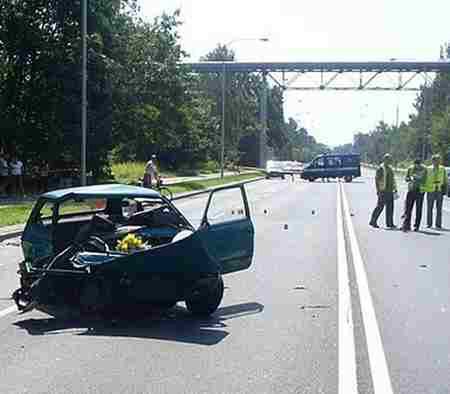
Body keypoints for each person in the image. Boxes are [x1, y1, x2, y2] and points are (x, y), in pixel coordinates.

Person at [369, 153, 398, 229]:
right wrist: (378, 190)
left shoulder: (390, 168)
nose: (389, 161)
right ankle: (373, 221)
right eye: (387, 159)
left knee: (390, 208)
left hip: (390, 191)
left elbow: (393, 179)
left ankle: (390, 223)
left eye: (390, 159)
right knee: (380, 207)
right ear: (384, 159)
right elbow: (377, 180)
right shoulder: (381, 168)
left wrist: (395, 188)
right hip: (383, 191)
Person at [401, 158, 427, 232]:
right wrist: (409, 179)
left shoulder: (424, 169)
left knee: (418, 209)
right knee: (408, 208)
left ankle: (416, 226)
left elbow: (425, 179)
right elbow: (406, 178)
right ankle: (406, 225)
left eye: (418, 165)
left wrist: (418, 178)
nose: (416, 167)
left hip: (420, 191)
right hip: (411, 190)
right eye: (415, 165)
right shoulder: (410, 168)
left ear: (420, 164)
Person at [424, 154, 448, 229]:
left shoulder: (442, 168)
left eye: (438, 160)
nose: (437, 161)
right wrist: (424, 189)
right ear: (432, 161)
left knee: (439, 208)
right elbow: (424, 179)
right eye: (436, 160)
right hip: (430, 190)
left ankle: (438, 224)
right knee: (429, 208)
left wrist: (446, 190)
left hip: (439, 190)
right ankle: (429, 224)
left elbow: (445, 180)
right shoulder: (428, 169)